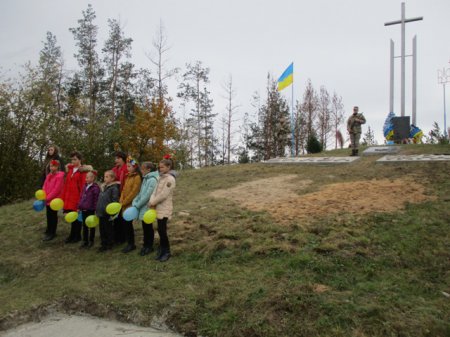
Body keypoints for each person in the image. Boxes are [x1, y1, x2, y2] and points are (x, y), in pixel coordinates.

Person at [149, 159, 177, 262]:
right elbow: (154, 192)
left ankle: (167, 251)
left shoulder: (170, 179)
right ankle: (162, 250)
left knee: (162, 230)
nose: (160, 169)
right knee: (160, 230)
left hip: (164, 208)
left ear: (168, 167)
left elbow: (164, 195)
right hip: (157, 207)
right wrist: (151, 201)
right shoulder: (159, 178)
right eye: (159, 167)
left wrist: (153, 202)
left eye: (162, 167)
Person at [62, 151, 91, 244]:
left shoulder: (82, 171)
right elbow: (66, 184)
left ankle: (77, 235)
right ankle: (72, 235)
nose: (73, 161)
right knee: (71, 216)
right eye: (72, 159)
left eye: (75, 159)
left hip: (77, 197)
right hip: (69, 197)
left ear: (80, 160)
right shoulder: (70, 170)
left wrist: (81, 200)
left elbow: (83, 186)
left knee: (77, 217)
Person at [131, 162, 159, 256]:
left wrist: (138, 205)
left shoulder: (152, 180)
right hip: (142, 206)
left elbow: (147, 195)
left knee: (148, 227)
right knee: (145, 227)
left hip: (147, 206)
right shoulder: (145, 179)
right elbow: (140, 193)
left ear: (149, 170)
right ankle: (145, 245)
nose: (141, 171)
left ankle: (149, 246)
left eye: (143, 169)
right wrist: (135, 201)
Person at [119, 157, 142, 253]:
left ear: (135, 167)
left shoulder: (137, 177)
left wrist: (124, 202)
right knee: (125, 224)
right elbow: (124, 190)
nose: (127, 168)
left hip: (130, 205)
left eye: (129, 166)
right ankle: (128, 242)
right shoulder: (128, 176)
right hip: (124, 204)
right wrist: (121, 199)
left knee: (128, 224)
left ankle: (131, 244)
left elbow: (134, 192)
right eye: (127, 166)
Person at [96, 170, 120, 252]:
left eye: (107, 177)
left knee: (108, 229)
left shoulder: (114, 188)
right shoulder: (103, 187)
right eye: (104, 176)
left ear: (112, 178)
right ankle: (103, 244)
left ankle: (110, 244)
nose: (105, 178)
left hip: (107, 213)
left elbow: (115, 201)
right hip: (101, 212)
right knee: (102, 229)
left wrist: (112, 212)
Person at [42, 160, 65, 241]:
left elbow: (56, 190)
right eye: (51, 166)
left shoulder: (59, 176)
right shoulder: (49, 175)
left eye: (54, 166)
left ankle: (52, 232)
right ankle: (48, 230)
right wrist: (43, 194)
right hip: (47, 199)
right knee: (48, 215)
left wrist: (47, 198)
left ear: (57, 167)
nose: (52, 168)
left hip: (54, 200)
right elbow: (44, 185)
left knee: (53, 216)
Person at [78, 171, 100, 248]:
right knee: (84, 225)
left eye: (87, 177)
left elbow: (96, 200)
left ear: (93, 178)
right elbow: (81, 197)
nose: (86, 179)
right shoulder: (84, 186)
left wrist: (95, 209)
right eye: (86, 177)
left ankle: (91, 240)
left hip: (91, 210)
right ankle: (85, 240)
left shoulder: (95, 188)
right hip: (83, 209)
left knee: (91, 225)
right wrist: (79, 206)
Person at [111, 151, 128, 244]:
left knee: (123, 217)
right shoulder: (114, 169)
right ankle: (116, 236)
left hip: (124, 195)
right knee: (115, 217)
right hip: (114, 195)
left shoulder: (127, 168)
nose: (116, 160)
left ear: (123, 159)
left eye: (118, 158)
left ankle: (123, 237)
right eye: (115, 158)